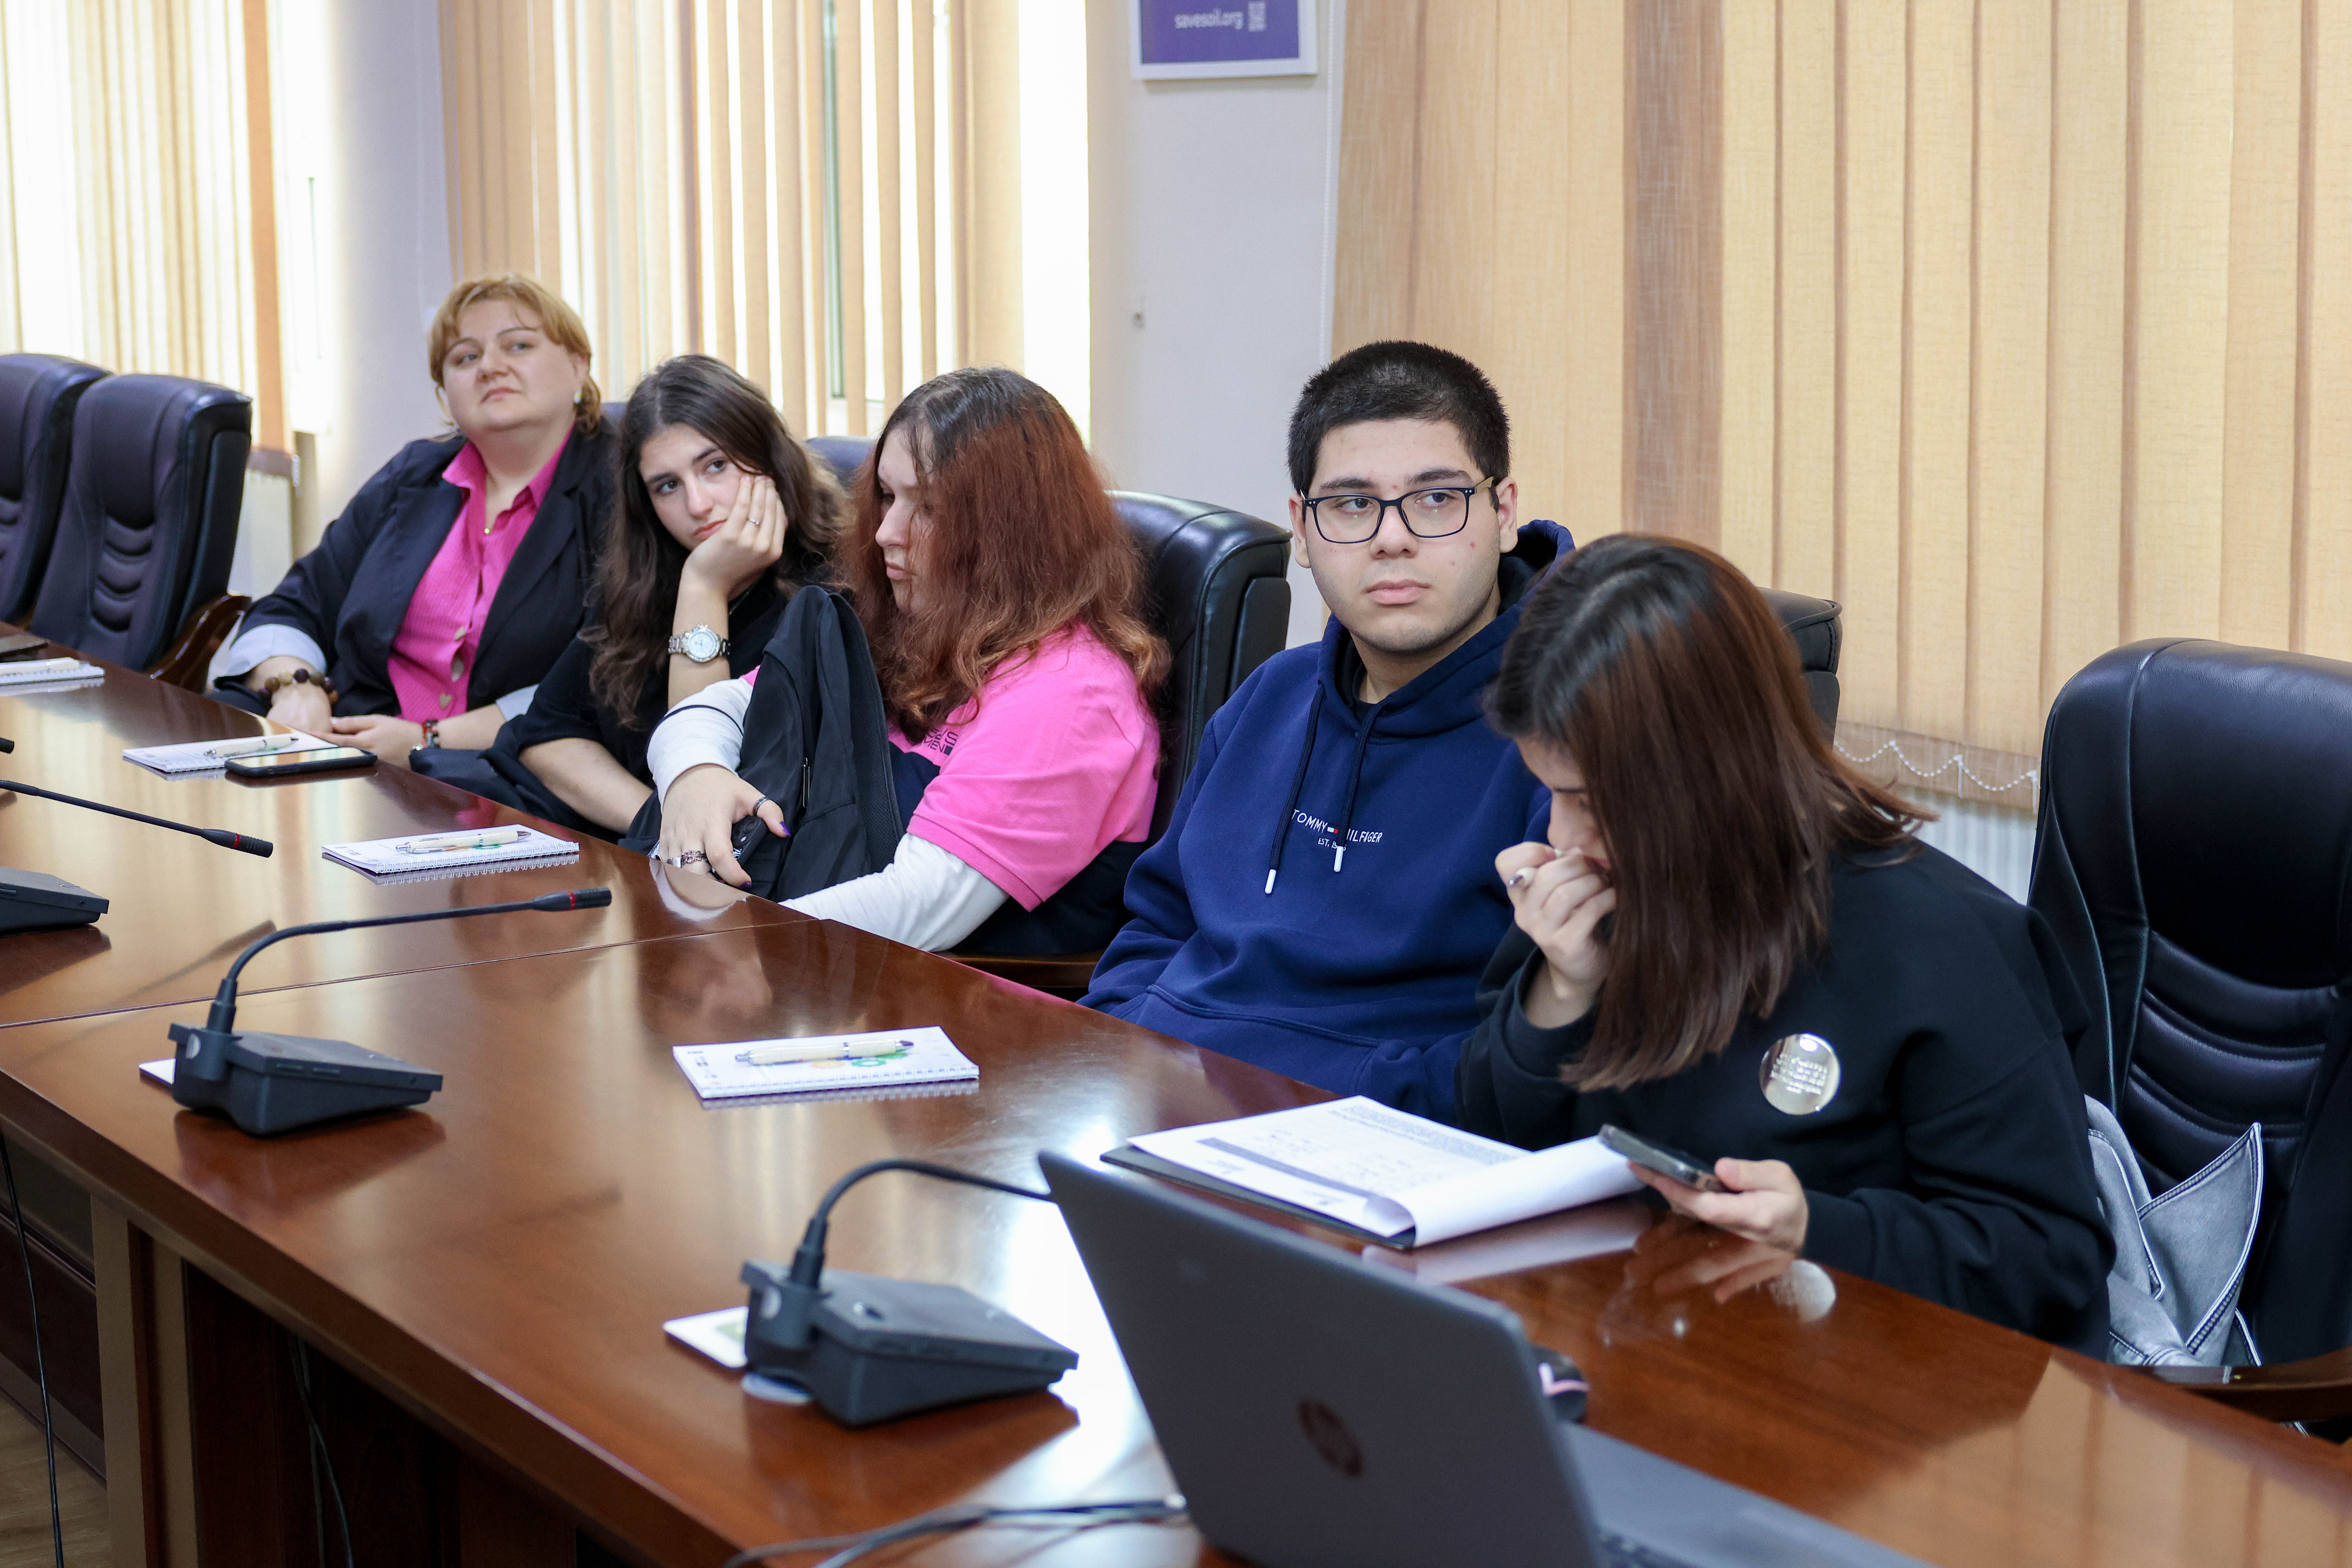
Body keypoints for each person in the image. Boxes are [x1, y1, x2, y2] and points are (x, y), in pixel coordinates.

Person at [1455, 533, 2111, 1351]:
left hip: (1849, 1384)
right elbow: (1484, 1145)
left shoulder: (1942, 943)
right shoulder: (1606, 891)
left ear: (1712, 771)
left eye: (1591, 800)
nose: (1563, 836)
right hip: (1637, 1340)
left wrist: (1819, 1229)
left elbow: (2050, 1262)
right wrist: (1561, 992)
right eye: (1552, 792)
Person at [1082, 342, 1571, 1115]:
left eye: (1436, 499)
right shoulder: (1270, 696)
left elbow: (1539, 1041)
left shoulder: (1569, 741)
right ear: (1303, 532)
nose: (1393, 538)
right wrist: (1125, 1048)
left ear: (1504, 512)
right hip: (1162, 1112)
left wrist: (1330, 1103)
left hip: (1371, 1144)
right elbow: (1156, 924)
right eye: (1351, 504)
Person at [644, 366, 1166, 953]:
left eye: (930, 508)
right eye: (888, 496)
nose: (886, 532)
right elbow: (718, 708)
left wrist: (719, 941)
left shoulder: (1072, 693)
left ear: (1011, 531)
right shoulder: (907, 626)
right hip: (799, 959)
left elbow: (912, 905)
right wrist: (695, 776)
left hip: (932, 992)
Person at [214, 274, 615, 765]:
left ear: (579, 365)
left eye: (519, 345)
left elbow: (608, 676)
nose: (491, 367)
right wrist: (297, 686)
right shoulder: (414, 476)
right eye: (466, 357)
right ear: (445, 395)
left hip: (506, 763)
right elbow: (296, 604)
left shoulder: (619, 491)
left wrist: (429, 740)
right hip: (351, 736)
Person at [485, 356, 842, 835]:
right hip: (631, 849)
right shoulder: (647, 577)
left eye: (715, 466)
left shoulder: (833, 593)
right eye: (668, 486)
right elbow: (545, 734)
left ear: (769, 458)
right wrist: (658, 822)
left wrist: (705, 588)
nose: (698, 505)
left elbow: (714, 780)